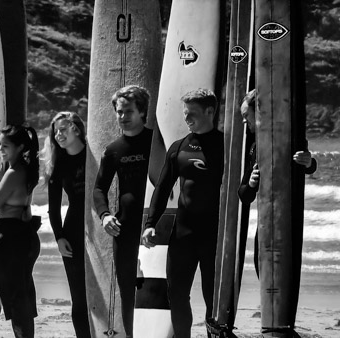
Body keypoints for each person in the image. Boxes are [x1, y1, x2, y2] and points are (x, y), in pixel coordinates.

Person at [142, 88, 224, 338]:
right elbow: (163, 187)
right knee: (176, 294)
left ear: (210, 111)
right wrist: (150, 223)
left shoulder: (226, 146)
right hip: (184, 234)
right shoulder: (179, 147)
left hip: (215, 237)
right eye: (185, 114)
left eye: (192, 115)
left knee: (214, 299)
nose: (187, 120)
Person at [93, 85, 153, 337]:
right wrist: (105, 215)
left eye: (128, 111)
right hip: (125, 230)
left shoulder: (157, 143)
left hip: (154, 228)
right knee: (128, 291)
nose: (122, 116)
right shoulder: (114, 149)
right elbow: (98, 190)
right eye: (119, 112)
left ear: (142, 112)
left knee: (156, 291)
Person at [238, 88, 317, 276]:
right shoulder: (255, 146)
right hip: (265, 220)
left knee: (282, 276)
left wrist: (309, 162)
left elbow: (308, 166)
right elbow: (244, 195)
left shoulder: (291, 139)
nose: (244, 121)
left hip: (287, 221)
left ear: (260, 112)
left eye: (246, 115)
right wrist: (250, 183)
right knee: (262, 271)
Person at [0, 124, 41, 338]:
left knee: (18, 301)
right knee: (21, 297)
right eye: (0, 145)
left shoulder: (13, 173)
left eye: (5, 146)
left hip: (13, 240)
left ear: (19, 147)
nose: (1, 150)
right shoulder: (27, 169)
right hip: (24, 237)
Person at [42, 112, 90, 337]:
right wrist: (59, 237)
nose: (57, 135)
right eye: (55, 131)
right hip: (72, 232)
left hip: (99, 227)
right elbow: (53, 206)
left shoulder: (95, 154)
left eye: (62, 129)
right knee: (79, 296)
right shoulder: (58, 163)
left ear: (76, 129)